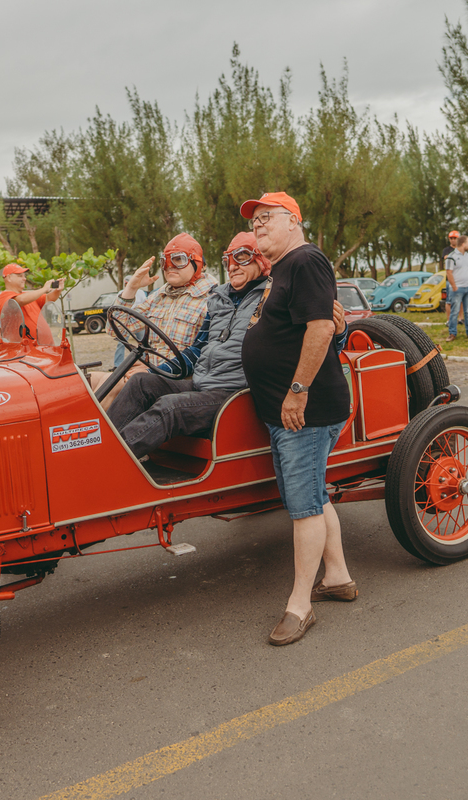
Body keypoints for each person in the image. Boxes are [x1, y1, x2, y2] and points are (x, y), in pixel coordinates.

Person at [108, 232, 348, 459]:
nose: (232, 266)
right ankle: (99, 448)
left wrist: (339, 333)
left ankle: (108, 461)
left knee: (170, 408)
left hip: (236, 393)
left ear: (261, 260)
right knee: (141, 383)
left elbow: (313, 342)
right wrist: (157, 370)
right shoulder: (218, 298)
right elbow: (198, 349)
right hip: (202, 383)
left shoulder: (273, 296)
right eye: (228, 260)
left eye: (242, 258)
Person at [238, 191, 353, 647]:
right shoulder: (282, 267)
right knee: (313, 496)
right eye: (255, 220)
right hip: (286, 411)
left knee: (304, 507)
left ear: (294, 220)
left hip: (306, 411)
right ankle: (338, 577)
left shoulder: (305, 260)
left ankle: (300, 605)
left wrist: (297, 392)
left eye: (267, 217)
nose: (259, 225)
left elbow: (321, 327)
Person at [89, 233, 218, 401]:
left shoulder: (212, 299)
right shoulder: (158, 296)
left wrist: (150, 372)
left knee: (114, 385)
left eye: (179, 259)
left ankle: (96, 419)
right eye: (165, 261)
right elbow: (115, 330)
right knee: (89, 379)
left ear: (196, 262)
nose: (170, 266)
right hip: (149, 372)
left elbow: (203, 355)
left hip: (181, 379)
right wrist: (132, 287)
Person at [0, 263, 62, 343]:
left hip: (43, 348)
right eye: (20, 276)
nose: (24, 279)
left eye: (24, 276)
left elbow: (48, 298)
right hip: (22, 349)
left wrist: (58, 290)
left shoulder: (28, 296)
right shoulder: (4, 297)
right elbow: (20, 300)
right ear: (9, 278)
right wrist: (44, 289)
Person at [444, 235, 468, 342]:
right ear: (463, 244)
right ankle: (452, 333)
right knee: (455, 311)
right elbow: (448, 272)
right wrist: (454, 287)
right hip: (457, 289)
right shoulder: (451, 256)